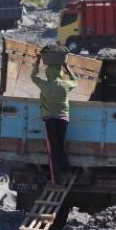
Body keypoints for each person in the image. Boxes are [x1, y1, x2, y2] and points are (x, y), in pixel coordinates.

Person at [31, 52, 77, 184]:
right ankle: (66, 171)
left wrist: (38, 61)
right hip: (63, 119)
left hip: (50, 120)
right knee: (60, 146)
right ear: (60, 72)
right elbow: (75, 81)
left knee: (53, 150)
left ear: (48, 72)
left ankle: (56, 179)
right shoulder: (65, 85)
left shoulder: (44, 85)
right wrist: (67, 68)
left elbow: (33, 77)